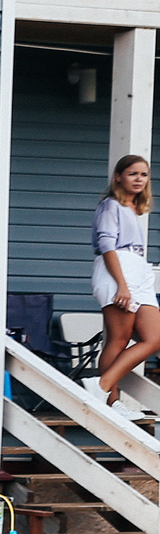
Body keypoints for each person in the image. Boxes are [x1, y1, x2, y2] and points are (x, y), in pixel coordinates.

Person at [95, 155, 159, 403]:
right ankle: (110, 401)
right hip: (118, 269)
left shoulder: (133, 208)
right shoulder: (111, 205)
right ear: (118, 177)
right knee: (119, 338)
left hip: (137, 268)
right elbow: (106, 246)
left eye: (143, 174)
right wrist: (121, 285)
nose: (139, 179)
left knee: (155, 337)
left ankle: (101, 386)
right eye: (133, 173)